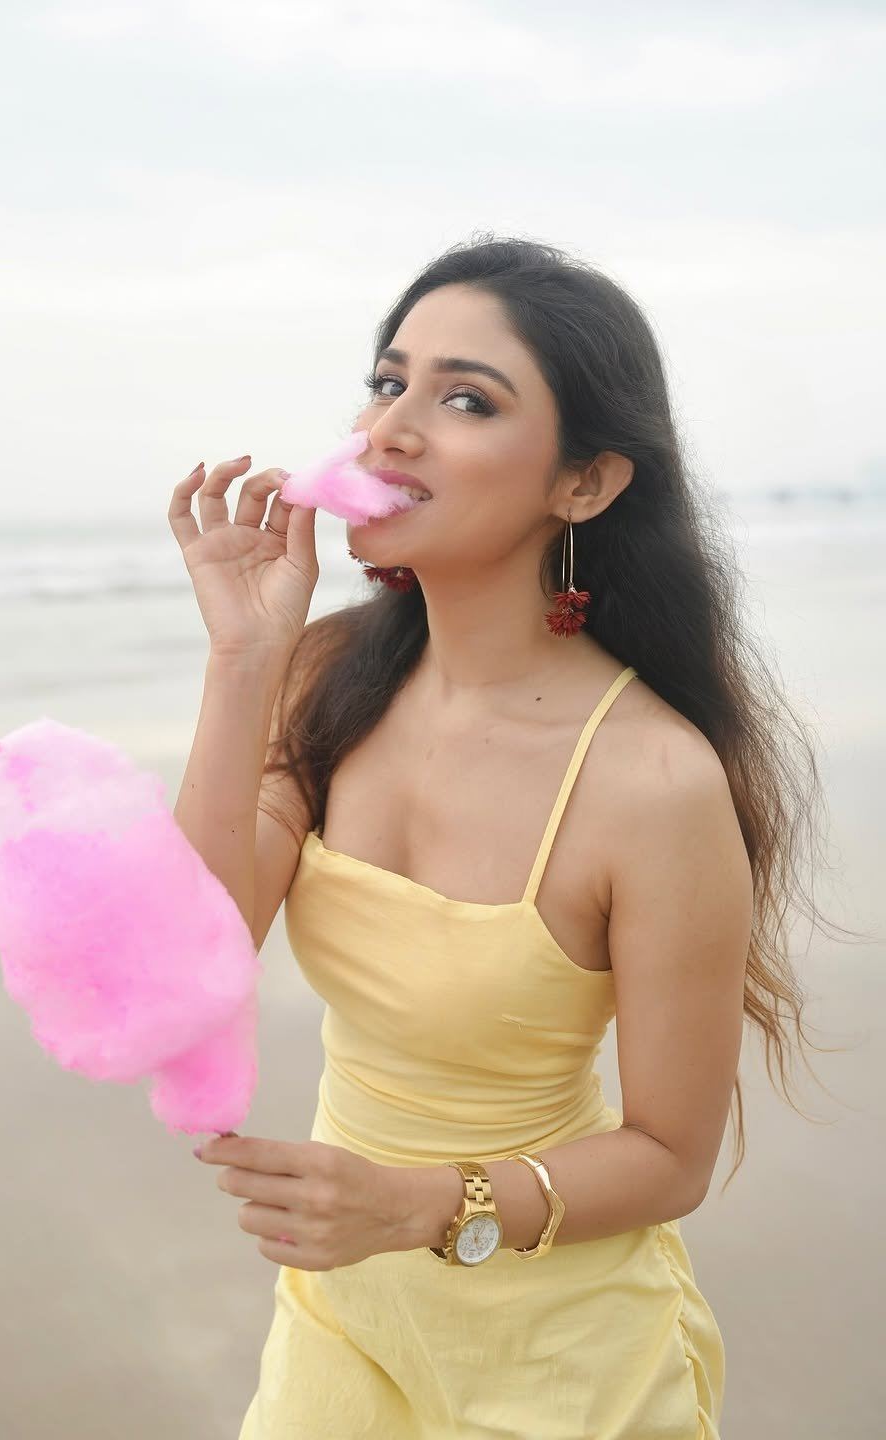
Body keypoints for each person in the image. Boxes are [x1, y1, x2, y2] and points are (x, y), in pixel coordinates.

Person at [169, 235, 835, 1439]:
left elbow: (670, 1158)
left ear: (583, 485)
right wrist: (241, 660)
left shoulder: (655, 782)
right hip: (340, 1329)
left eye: (464, 399)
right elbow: (185, 969)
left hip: (564, 1357)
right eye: (388, 382)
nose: (390, 429)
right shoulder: (321, 681)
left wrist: (409, 1205)